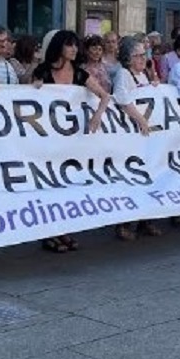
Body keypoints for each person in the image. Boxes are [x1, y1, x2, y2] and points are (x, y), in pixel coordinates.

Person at [32, 30, 112, 250]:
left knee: (65, 183)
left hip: (70, 138)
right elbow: (27, 96)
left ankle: (64, 229)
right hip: (46, 137)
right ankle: (48, 232)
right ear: (59, 47)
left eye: (76, 45)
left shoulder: (80, 73)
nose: (75, 49)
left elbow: (104, 95)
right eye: (70, 45)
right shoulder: (43, 71)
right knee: (48, 184)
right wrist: (34, 89)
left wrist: (97, 115)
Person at [111, 36, 163, 240]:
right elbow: (123, 99)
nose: (143, 59)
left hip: (146, 135)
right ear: (127, 58)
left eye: (145, 54)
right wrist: (140, 119)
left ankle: (145, 220)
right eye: (138, 55)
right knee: (130, 178)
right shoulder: (124, 74)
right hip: (131, 133)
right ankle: (124, 223)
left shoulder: (141, 76)